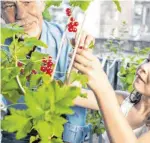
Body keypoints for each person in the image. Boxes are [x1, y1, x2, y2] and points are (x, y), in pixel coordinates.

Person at [0, 1, 94, 143]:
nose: (21, 14)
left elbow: (84, 100)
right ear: (1, 13)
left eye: (27, 1)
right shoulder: (3, 50)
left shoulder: (68, 42)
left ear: (43, 3)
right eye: (9, 6)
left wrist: (81, 56)